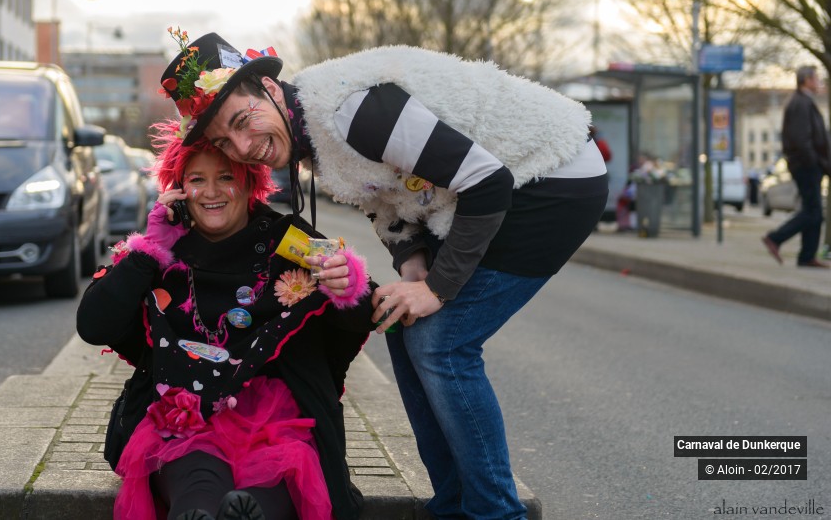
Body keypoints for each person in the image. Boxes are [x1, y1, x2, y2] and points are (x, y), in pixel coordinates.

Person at [159, 29, 608, 520]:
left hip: (550, 178)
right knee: (403, 324)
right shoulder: (311, 133)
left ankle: (496, 514)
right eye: (225, 140)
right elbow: (382, 194)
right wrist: (411, 262)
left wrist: (435, 288)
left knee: (442, 342)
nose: (244, 146)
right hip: (475, 195)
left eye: (244, 121)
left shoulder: (351, 111)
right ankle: (453, 506)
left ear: (269, 88)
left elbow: (488, 182)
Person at [76, 117, 376, 520]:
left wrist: (347, 280)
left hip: (276, 418)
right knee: (194, 466)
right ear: (179, 190)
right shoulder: (165, 246)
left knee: (274, 469)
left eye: (226, 177)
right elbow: (94, 325)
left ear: (252, 183)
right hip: (183, 416)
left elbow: (363, 309)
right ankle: (196, 511)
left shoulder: (289, 239)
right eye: (197, 180)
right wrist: (149, 251)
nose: (211, 192)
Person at [762, 65, 831, 268]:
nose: (819, 83)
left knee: (814, 211)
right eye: (816, 79)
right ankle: (776, 238)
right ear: (807, 80)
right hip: (807, 166)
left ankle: (806, 256)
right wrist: (815, 163)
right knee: (813, 211)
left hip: (808, 164)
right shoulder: (800, 103)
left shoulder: (802, 102)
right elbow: (802, 139)